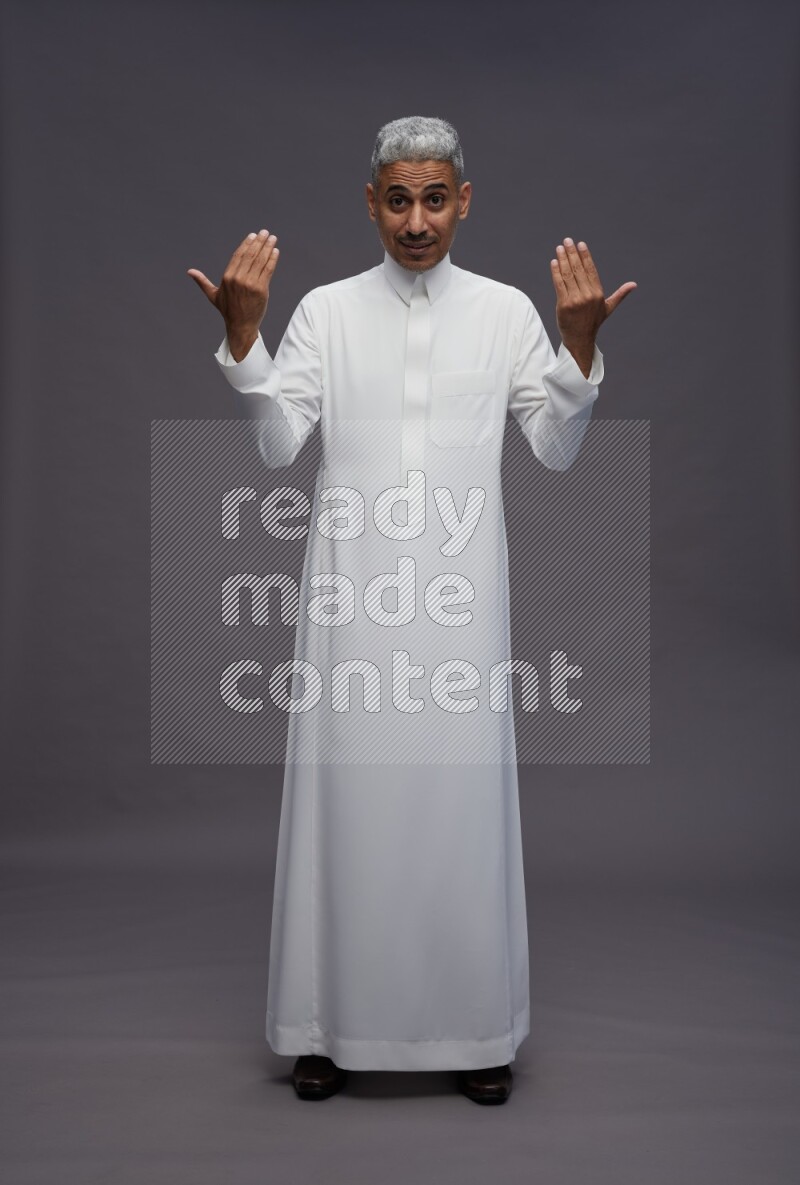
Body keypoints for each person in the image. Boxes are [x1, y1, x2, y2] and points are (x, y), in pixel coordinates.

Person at [188, 116, 636, 1105]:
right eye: (398, 199)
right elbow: (275, 447)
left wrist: (574, 353)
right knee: (346, 805)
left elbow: (552, 448)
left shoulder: (505, 312)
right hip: (352, 600)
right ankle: (324, 1028)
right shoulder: (329, 314)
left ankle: (474, 1033)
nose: (417, 220)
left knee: (456, 808)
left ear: (463, 201)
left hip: (460, 604)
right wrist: (243, 339)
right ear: (370, 204)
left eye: (435, 198)